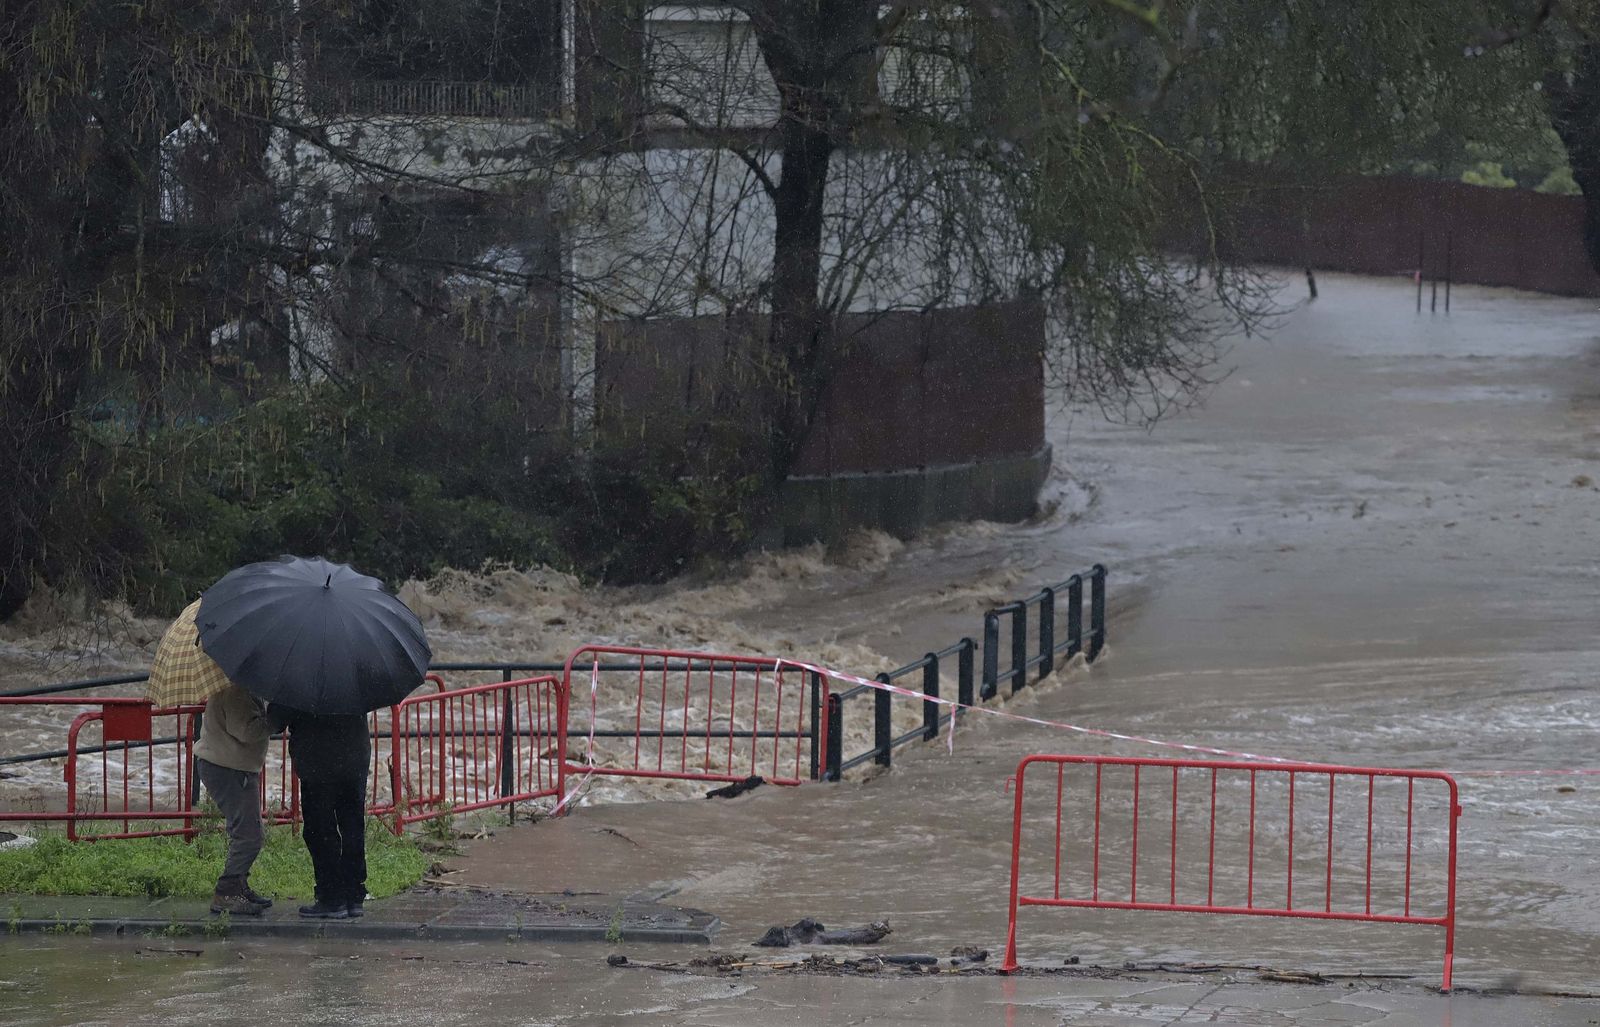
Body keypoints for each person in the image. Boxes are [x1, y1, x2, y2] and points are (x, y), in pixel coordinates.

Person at [269, 705, 370, 919]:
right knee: (352, 825)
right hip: (354, 758)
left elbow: (276, 721)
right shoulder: (353, 676)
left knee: (320, 830)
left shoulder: (300, 679)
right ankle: (354, 894)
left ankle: (331, 896)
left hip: (318, 762)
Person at [193, 682, 274, 917]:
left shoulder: (234, 686)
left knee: (246, 830)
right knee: (249, 835)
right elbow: (246, 731)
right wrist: (275, 718)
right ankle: (227, 892)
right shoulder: (237, 690)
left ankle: (238, 885)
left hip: (230, 766)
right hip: (229, 768)